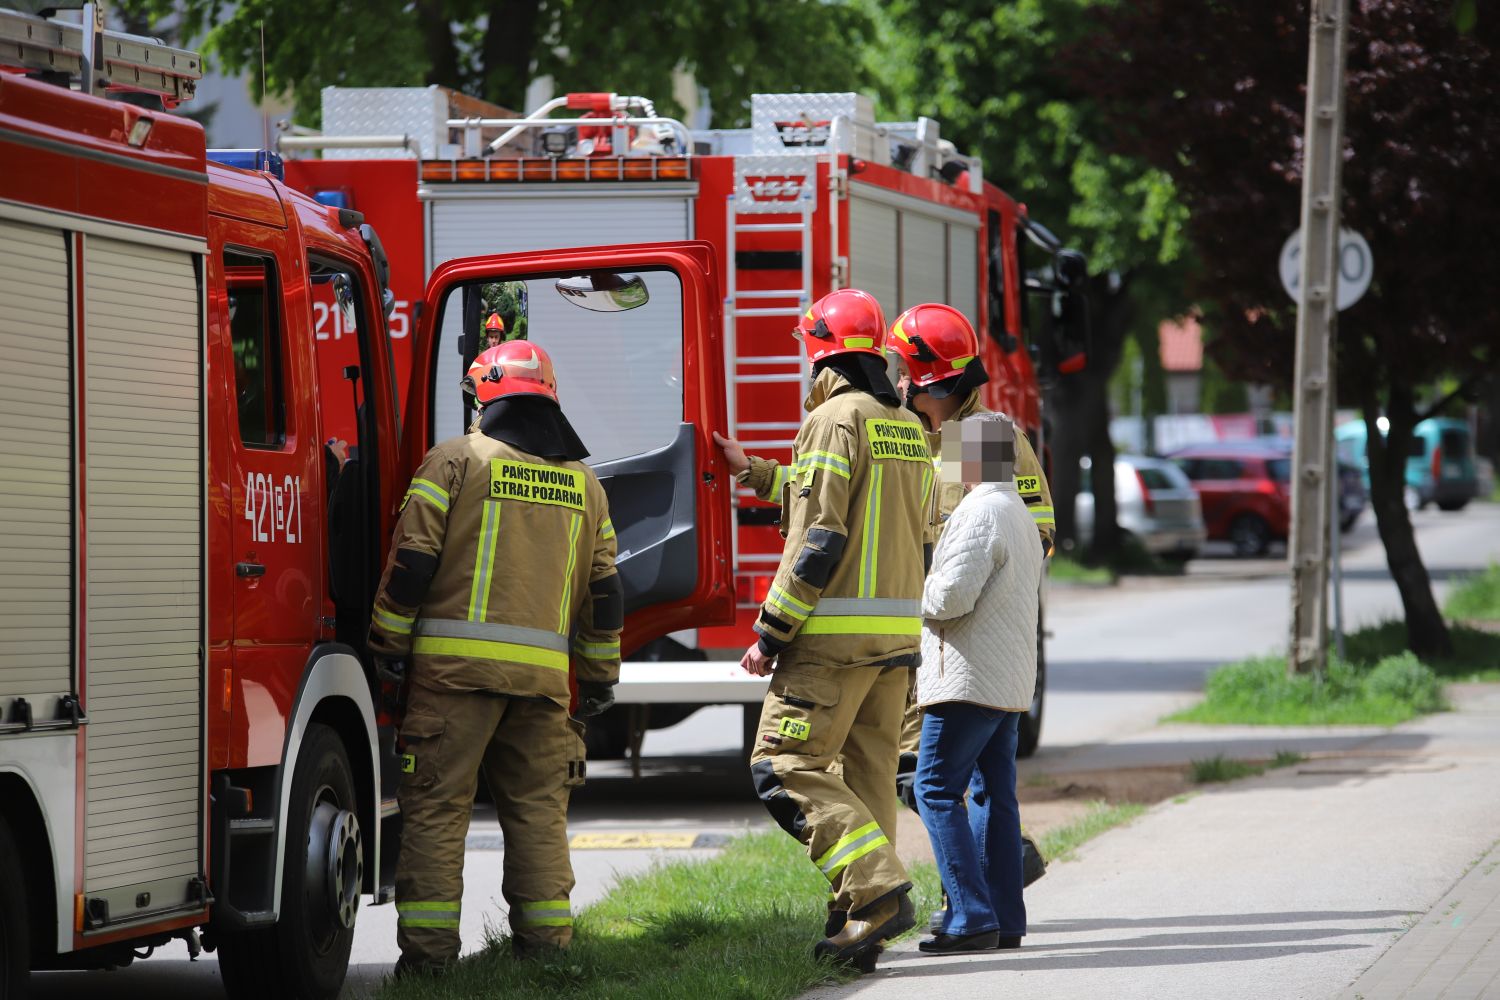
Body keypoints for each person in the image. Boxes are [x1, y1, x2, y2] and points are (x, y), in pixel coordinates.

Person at [367, 339, 622, 976]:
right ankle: (547, 958)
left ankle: (428, 966)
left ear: (485, 393)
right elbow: (605, 594)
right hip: (541, 688)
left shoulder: (454, 460)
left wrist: (387, 646)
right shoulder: (585, 485)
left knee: (436, 810)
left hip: (452, 681)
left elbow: (412, 564)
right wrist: (596, 680)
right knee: (538, 815)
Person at [739, 288, 931, 968]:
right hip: (895, 643)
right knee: (869, 776)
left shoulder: (833, 418)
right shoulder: (904, 422)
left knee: (782, 765)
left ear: (821, 352)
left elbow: (819, 536)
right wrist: (759, 473)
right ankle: (858, 921)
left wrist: (771, 631)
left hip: (830, 641)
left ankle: (877, 894)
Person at [883, 303, 1052, 903]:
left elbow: (1028, 531)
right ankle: (993, 891)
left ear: (929, 377)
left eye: (904, 367)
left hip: (961, 638)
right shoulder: (899, 431)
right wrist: (759, 477)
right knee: (943, 779)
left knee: (952, 782)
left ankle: (978, 901)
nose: (896, 378)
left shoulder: (976, 438)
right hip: (918, 636)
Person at [914, 412, 1041, 953]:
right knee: (996, 795)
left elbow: (950, 599)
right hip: (1008, 679)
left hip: (966, 678)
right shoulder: (1018, 510)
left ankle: (969, 915)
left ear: (973, 458)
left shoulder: (979, 511)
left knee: (935, 790)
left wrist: (910, 593)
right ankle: (1005, 919)